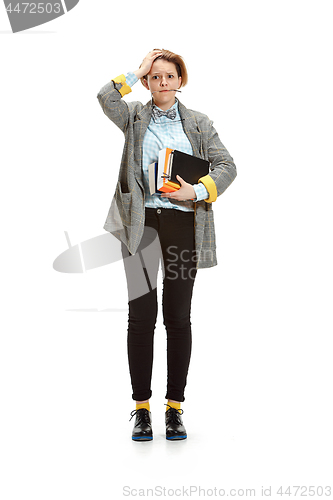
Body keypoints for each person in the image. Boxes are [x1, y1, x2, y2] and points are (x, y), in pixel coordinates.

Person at [97, 49, 237, 441]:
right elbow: (106, 98)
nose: (162, 82)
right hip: (141, 226)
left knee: (177, 316)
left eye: (169, 76)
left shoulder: (199, 123)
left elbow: (228, 165)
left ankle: (174, 409)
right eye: (154, 77)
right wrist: (136, 68)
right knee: (141, 316)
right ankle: (141, 409)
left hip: (182, 224)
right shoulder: (134, 117)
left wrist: (197, 190)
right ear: (147, 82)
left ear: (180, 80)